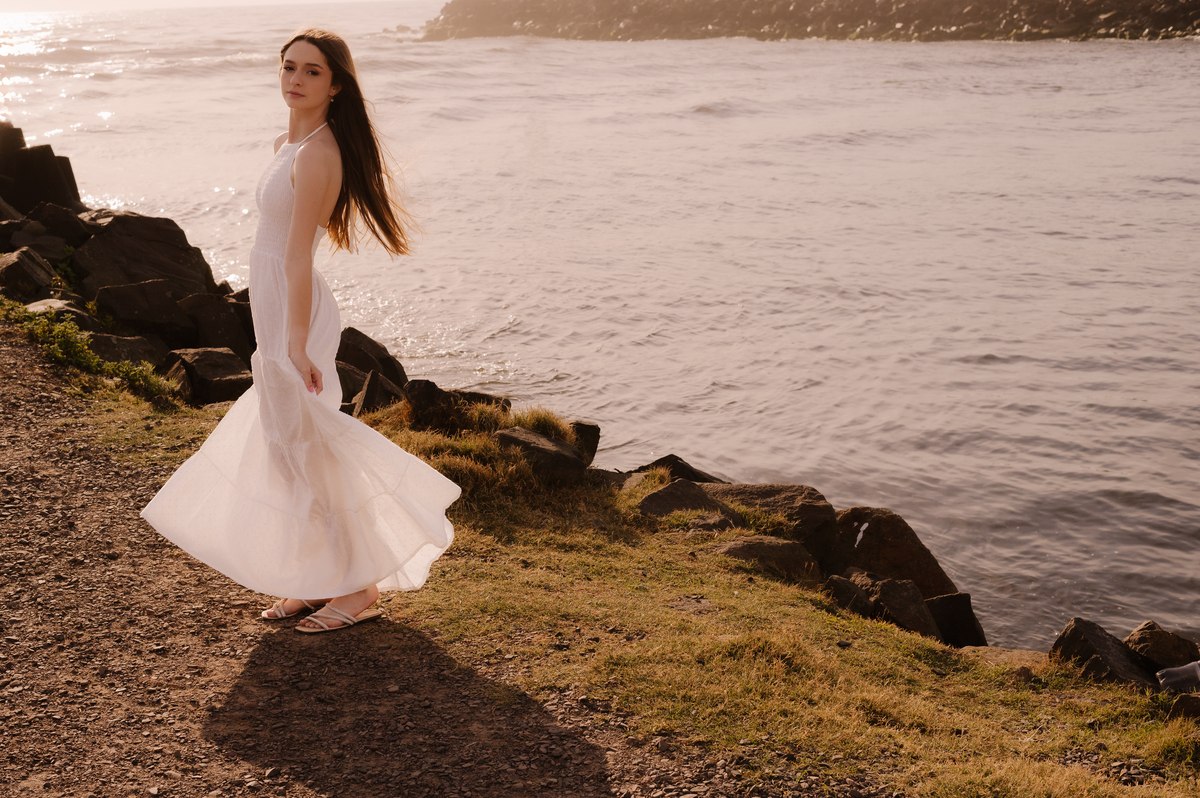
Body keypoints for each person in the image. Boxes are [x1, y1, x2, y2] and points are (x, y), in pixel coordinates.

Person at [141, 29, 461, 633]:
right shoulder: (287, 144)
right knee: (285, 446)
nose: (295, 79)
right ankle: (319, 577)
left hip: (294, 307)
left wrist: (293, 341)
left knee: (308, 448)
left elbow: (295, 257)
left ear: (336, 86)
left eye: (312, 71)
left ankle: (360, 586)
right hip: (275, 304)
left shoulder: (317, 154)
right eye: (289, 66)